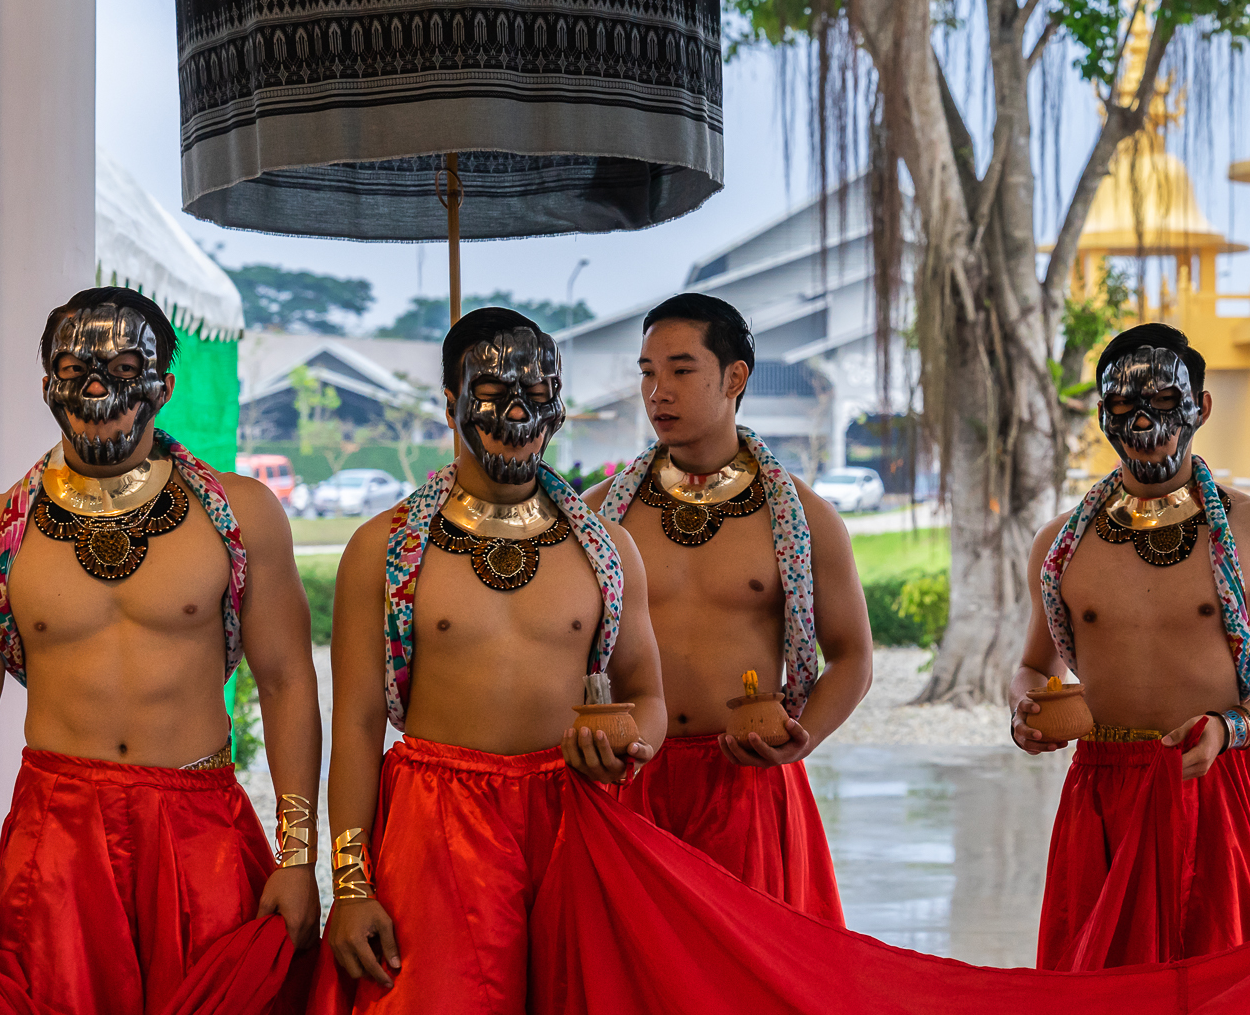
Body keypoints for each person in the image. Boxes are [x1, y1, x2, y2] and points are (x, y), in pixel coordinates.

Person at [0, 287, 320, 1010]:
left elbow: (289, 679)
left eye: (125, 363)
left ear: (164, 386)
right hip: (55, 842)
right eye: (74, 365)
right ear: (46, 382)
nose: (97, 384)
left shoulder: (241, 515)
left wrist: (300, 856)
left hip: (199, 833)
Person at [312, 307, 665, 1013]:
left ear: (559, 407)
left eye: (537, 395)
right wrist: (350, 883)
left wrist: (628, 743)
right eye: (493, 391)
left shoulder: (608, 549)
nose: (517, 411)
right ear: (449, 403)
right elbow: (354, 726)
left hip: (575, 817)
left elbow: (647, 696)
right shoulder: (380, 549)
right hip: (435, 822)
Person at [1010, 323, 1250, 971]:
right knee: (1098, 989)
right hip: (1102, 795)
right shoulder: (1060, 543)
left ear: (1201, 406)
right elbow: (1035, 665)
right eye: (1124, 406)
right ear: (1102, 415)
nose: (1144, 420)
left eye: (1163, 399)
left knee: (1230, 986)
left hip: (1216, 781)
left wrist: (1231, 725)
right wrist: (1026, 706)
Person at [588, 293, 871, 923]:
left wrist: (801, 742)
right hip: (628, 782)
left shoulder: (804, 517)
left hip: (747, 785)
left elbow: (852, 658)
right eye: (646, 372)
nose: (657, 391)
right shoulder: (599, 518)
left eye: (681, 370)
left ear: (734, 377)